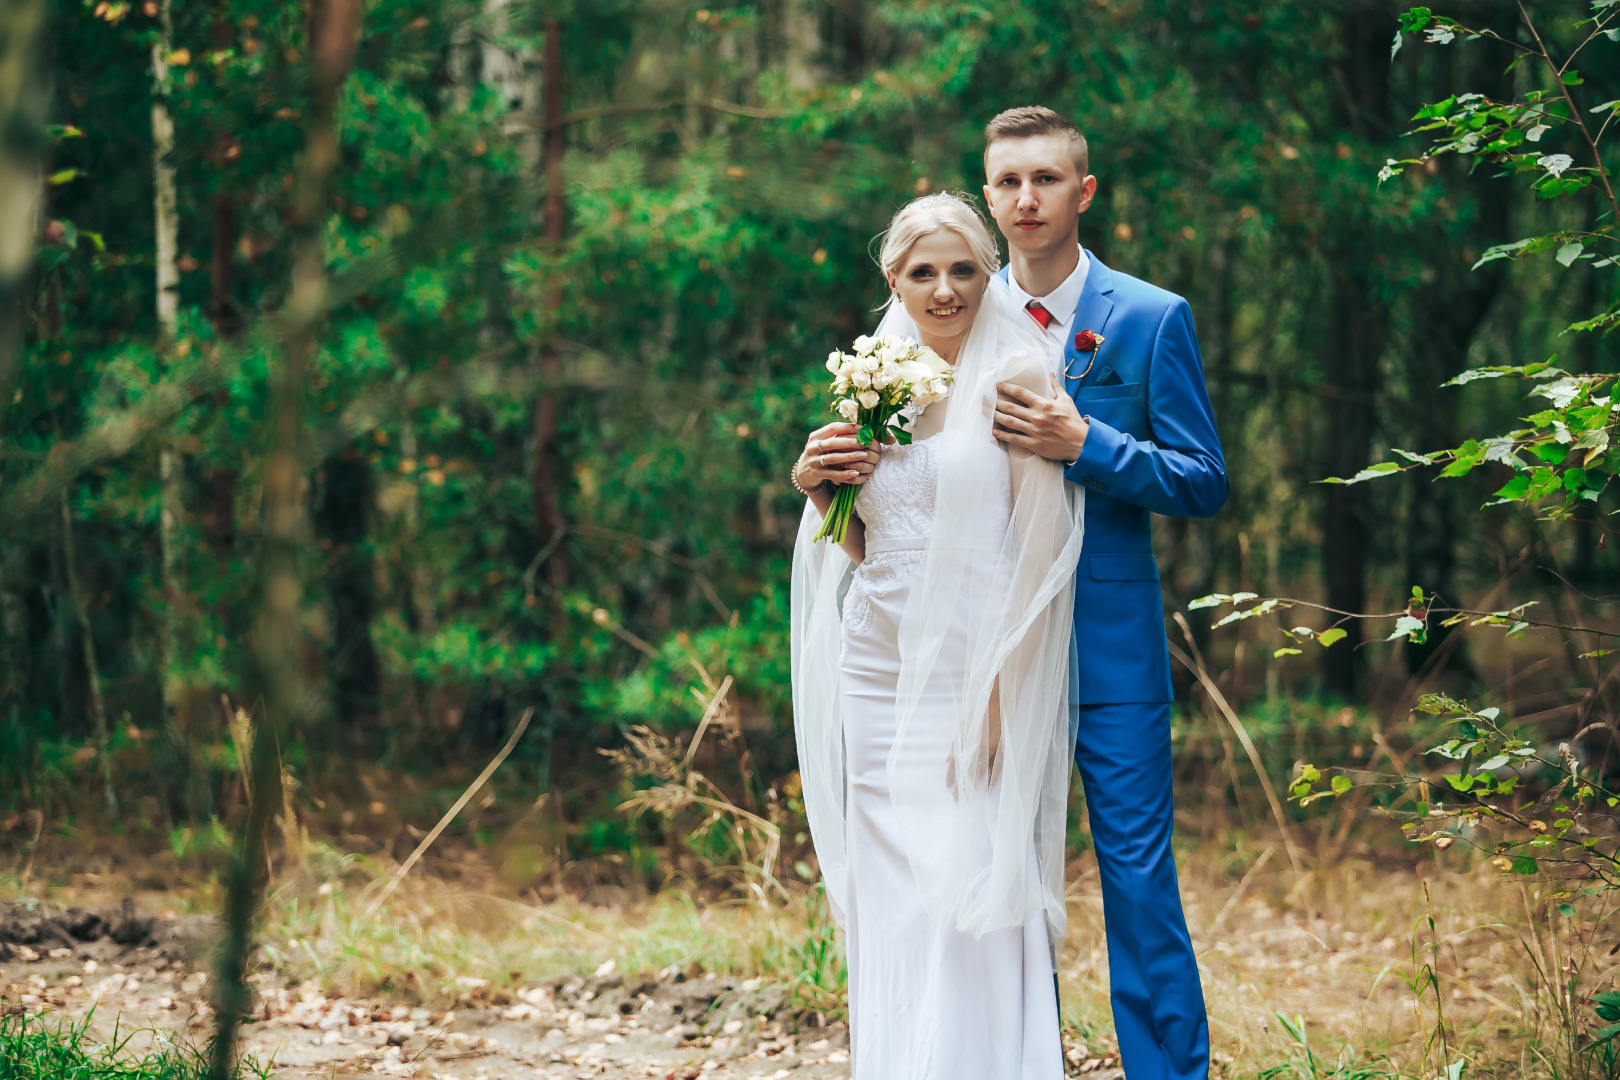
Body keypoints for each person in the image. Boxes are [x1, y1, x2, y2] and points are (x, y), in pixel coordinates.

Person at [789, 192, 1084, 1080]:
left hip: (974, 661)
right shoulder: (872, 377)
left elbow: (1040, 552)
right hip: (876, 663)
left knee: (966, 882)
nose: (945, 290)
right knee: (898, 893)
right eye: (924, 272)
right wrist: (817, 491)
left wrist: (1001, 698)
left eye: (964, 270)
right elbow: (868, 540)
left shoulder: (1019, 376)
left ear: (988, 274)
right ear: (895, 280)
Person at [986, 106, 1228, 1080]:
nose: (1026, 198)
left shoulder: (1150, 317)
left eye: (1046, 179)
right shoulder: (961, 320)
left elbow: (1202, 479)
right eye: (1008, 182)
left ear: (1084, 192)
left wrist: (1091, 446)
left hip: (1112, 654)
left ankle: (1169, 1073)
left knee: (1134, 882)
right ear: (989, 194)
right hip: (993, 654)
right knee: (1003, 885)